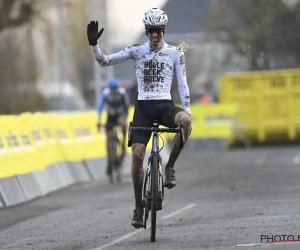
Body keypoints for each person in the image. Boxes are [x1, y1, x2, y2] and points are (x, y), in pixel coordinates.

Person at [87, 7, 192, 228]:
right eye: (150, 31)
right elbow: (105, 61)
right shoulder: (136, 51)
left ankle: (170, 166)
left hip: (165, 106)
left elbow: (182, 84)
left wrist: (187, 111)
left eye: (158, 31)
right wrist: (94, 46)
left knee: (186, 122)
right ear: (146, 30)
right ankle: (138, 205)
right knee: (137, 155)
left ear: (164, 29)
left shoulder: (176, 53)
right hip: (143, 108)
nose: (154, 35)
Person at [97, 78, 129, 182]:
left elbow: (126, 106)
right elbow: (101, 106)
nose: (114, 92)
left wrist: (124, 118)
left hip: (120, 115)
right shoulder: (105, 94)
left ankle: (123, 144)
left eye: (115, 90)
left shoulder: (122, 93)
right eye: (112, 90)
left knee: (123, 125)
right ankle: (109, 161)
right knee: (108, 136)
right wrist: (99, 119)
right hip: (110, 116)